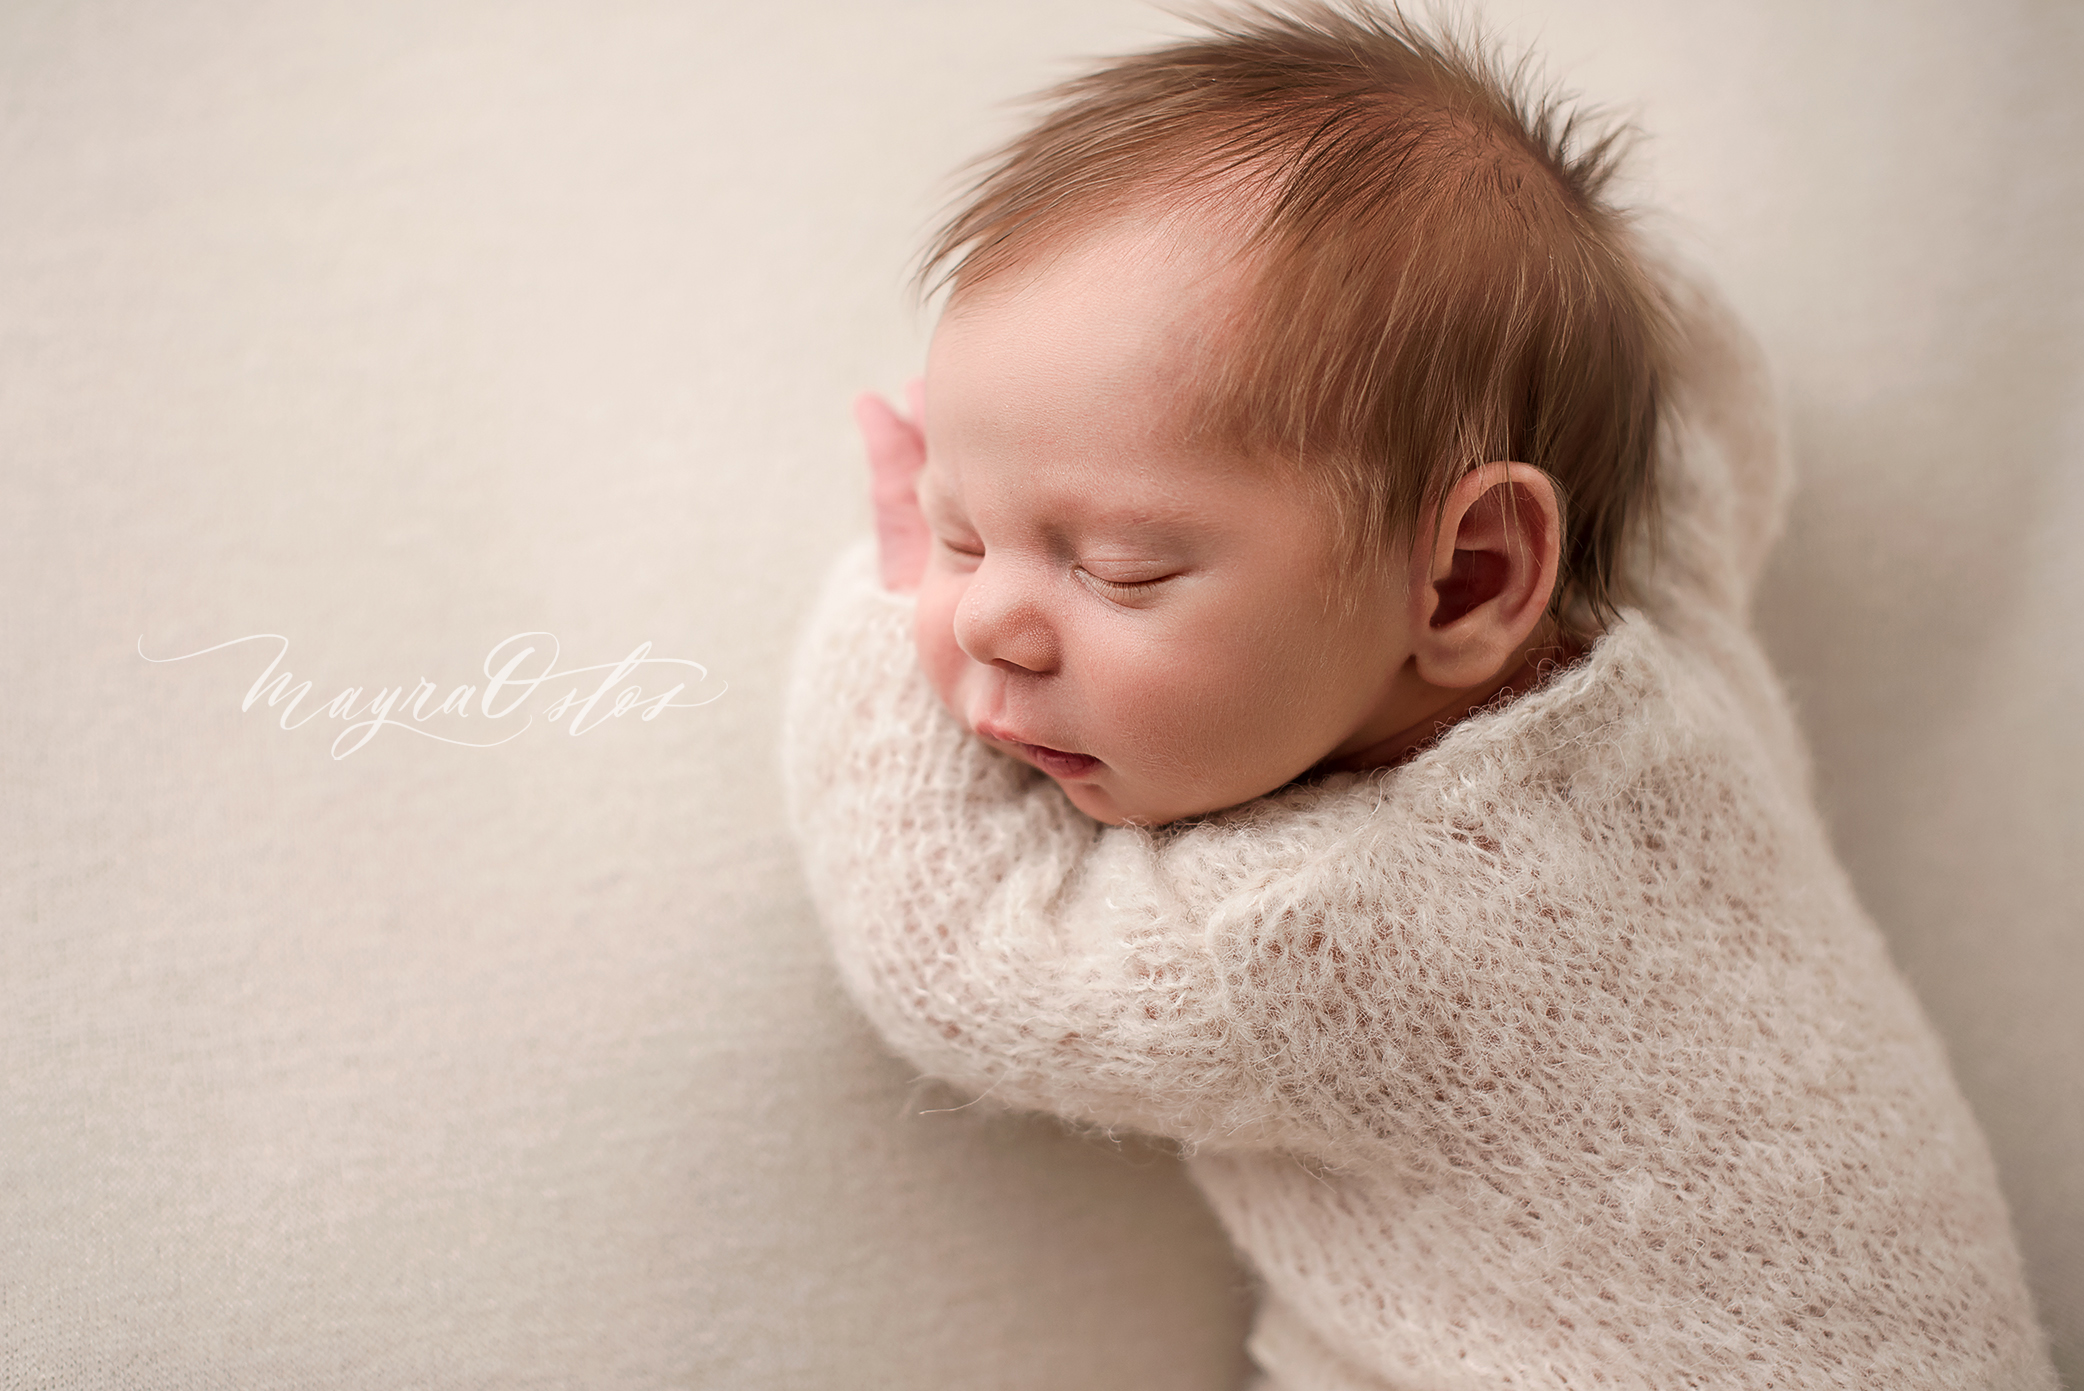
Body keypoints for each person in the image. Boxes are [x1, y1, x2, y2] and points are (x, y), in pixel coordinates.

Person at [783, 5, 2056, 1385]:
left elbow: (961, 958)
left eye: (1122, 568)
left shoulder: (1318, 944)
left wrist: (881, 593)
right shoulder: (1670, 653)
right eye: (958, 531)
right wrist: (1542, 276)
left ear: (1464, 582)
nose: (984, 621)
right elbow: (1697, 413)